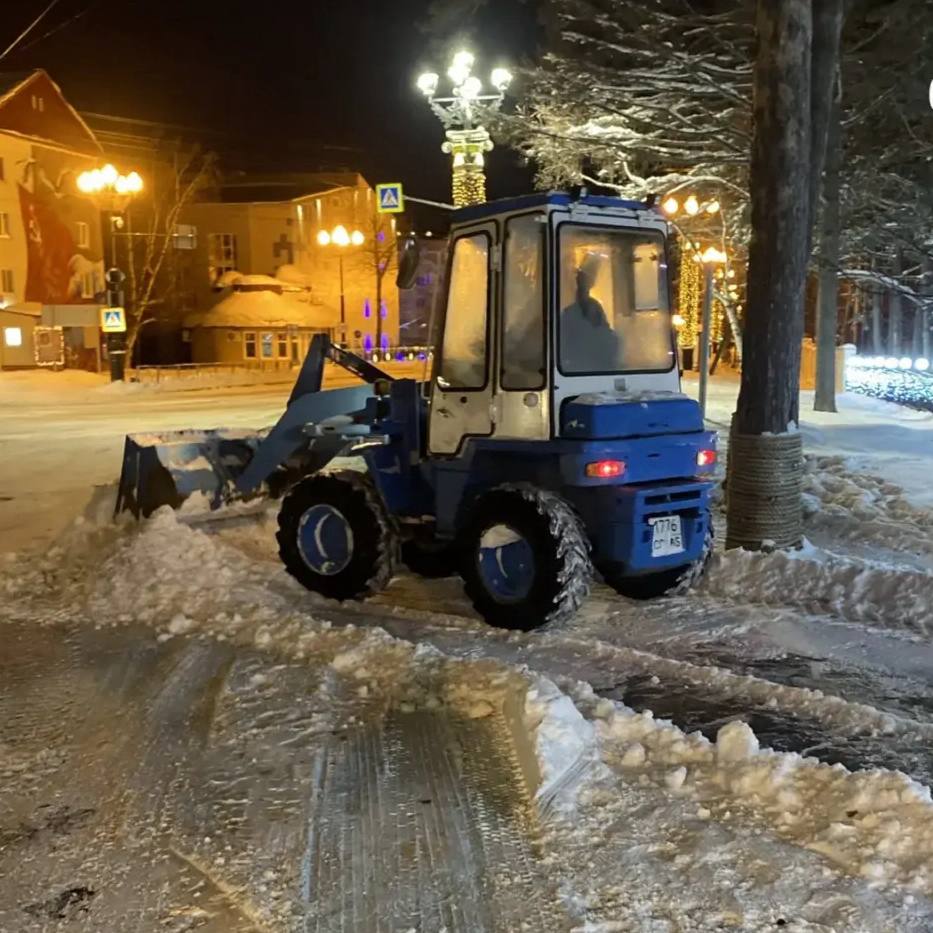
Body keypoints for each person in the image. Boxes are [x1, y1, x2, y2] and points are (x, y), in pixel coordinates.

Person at [560, 252, 620, 373]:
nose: (586, 283)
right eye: (583, 278)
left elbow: (605, 335)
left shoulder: (593, 306)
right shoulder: (568, 311)